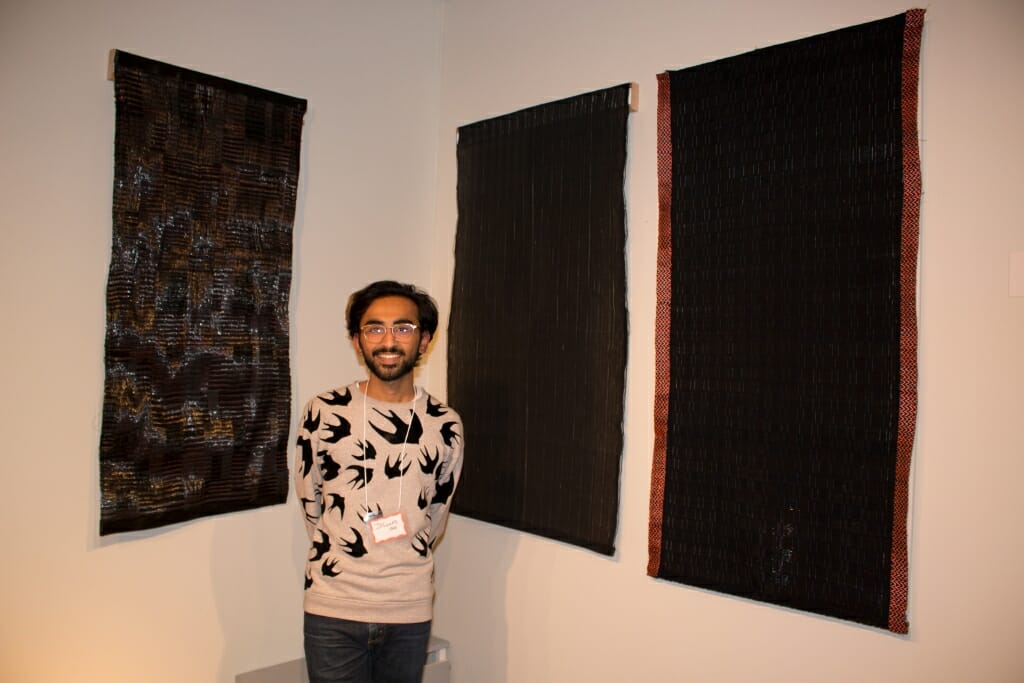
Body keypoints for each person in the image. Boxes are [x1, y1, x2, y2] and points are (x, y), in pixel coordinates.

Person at [295, 280, 464, 683]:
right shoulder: (323, 411)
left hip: (409, 606)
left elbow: (436, 512)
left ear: (424, 340)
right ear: (357, 340)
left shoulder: (445, 424)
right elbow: (310, 499)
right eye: (375, 328)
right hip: (333, 606)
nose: (389, 340)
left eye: (403, 328)